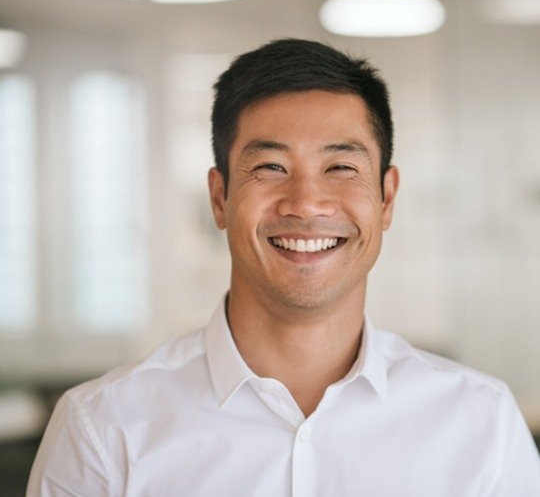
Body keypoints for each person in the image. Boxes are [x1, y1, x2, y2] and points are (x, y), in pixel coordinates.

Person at [27, 39, 540, 496]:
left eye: (340, 167)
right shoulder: (102, 427)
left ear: (386, 199)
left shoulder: (482, 422)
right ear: (220, 197)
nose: (306, 202)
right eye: (271, 167)